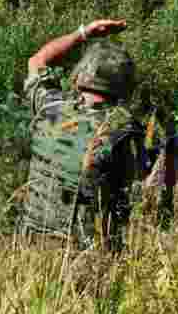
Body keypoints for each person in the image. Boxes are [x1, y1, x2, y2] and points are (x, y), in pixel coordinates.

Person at [19, 18, 148, 252]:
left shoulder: (50, 107)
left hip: (28, 251)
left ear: (80, 76)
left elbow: (37, 60)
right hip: (84, 257)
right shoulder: (122, 132)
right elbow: (138, 199)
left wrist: (84, 32)